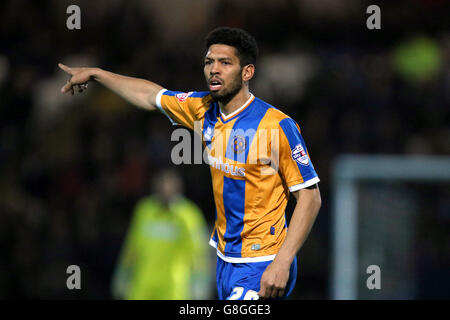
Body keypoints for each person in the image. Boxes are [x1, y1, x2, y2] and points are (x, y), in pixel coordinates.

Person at [59, 27, 322, 300]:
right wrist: (98, 74)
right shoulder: (202, 108)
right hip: (224, 260)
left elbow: (310, 197)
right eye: (209, 62)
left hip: (264, 261)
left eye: (225, 62)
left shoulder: (277, 125)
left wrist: (282, 262)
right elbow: (151, 95)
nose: (214, 69)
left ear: (247, 73)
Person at [111, 168, 212, 300]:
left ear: (177, 188)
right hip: (142, 282)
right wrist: (123, 272)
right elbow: (132, 245)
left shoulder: (188, 215)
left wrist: (200, 281)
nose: (165, 189)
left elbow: (198, 251)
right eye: (161, 184)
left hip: (174, 286)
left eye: (169, 185)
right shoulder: (144, 210)